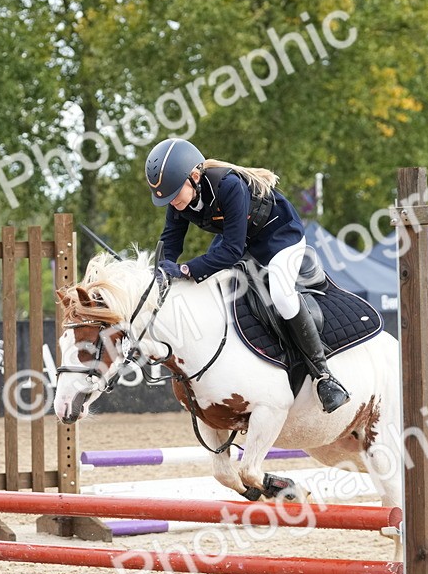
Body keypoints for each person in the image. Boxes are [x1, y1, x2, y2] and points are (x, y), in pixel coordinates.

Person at [145, 138, 349, 412]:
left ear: (194, 176)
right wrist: (161, 272)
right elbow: (170, 242)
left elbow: (230, 252)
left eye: (174, 195)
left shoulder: (229, 186)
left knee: (282, 295)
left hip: (279, 238)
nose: (173, 203)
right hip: (240, 240)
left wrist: (185, 269)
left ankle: (324, 377)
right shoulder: (178, 200)